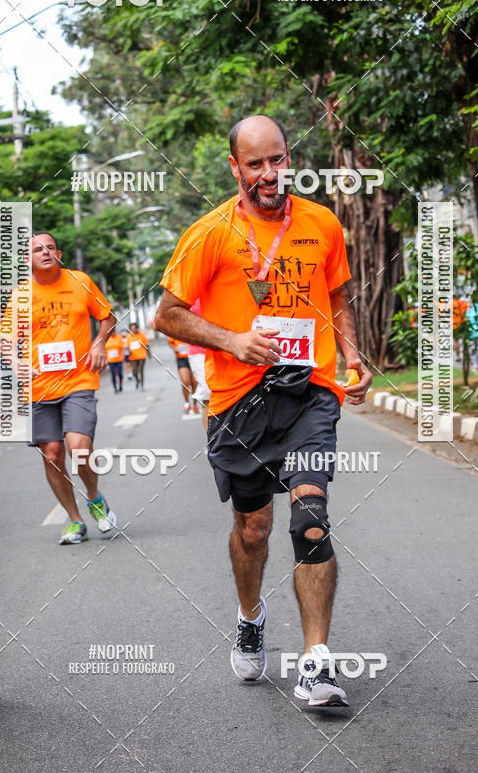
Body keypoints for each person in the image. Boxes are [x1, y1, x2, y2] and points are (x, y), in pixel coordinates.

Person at [155, 114, 371, 708]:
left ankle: (316, 664)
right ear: (236, 168)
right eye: (257, 164)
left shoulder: (322, 223)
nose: (271, 174)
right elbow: (167, 314)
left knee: (310, 517)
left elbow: (336, 297)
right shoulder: (210, 233)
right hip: (238, 402)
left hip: (309, 391)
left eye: (278, 159)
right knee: (254, 529)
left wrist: (352, 356)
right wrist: (230, 340)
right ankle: (251, 615)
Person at [2, 232, 117, 545]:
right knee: (52, 455)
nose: (45, 252)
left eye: (50, 247)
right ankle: (75, 520)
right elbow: (8, 340)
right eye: (37, 249)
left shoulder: (80, 281)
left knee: (79, 447)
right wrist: (14, 362)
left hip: (78, 380)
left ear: (59, 253)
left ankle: (94, 497)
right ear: (28, 260)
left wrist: (99, 345)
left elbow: (108, 317)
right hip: (39, 386)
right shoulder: (21, 295)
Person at [188, 299, 210, 429]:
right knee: (208, 396)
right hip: (199, 352)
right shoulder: (190, 291)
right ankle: (212, 444)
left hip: (227, 349)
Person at [168, 336, 199, 413]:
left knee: (194, 383)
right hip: (182, 358)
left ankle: (195, 405)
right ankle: (187, 404)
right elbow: (170, 342)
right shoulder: (175, 329)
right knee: (185, 382)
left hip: (193, 357)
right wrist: (174, 348)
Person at [124, 322, 149, 390]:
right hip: (132, 357)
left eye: (134, 328)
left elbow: (146, 345)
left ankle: (142, 385)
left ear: (137, 328)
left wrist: (149, 355)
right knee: (134, 371)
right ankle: (137, 381)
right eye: (132, 329)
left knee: (141, 370)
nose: (133, 330)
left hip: (141, 355)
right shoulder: (128, 336)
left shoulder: (141, 335)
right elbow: (126, 346)